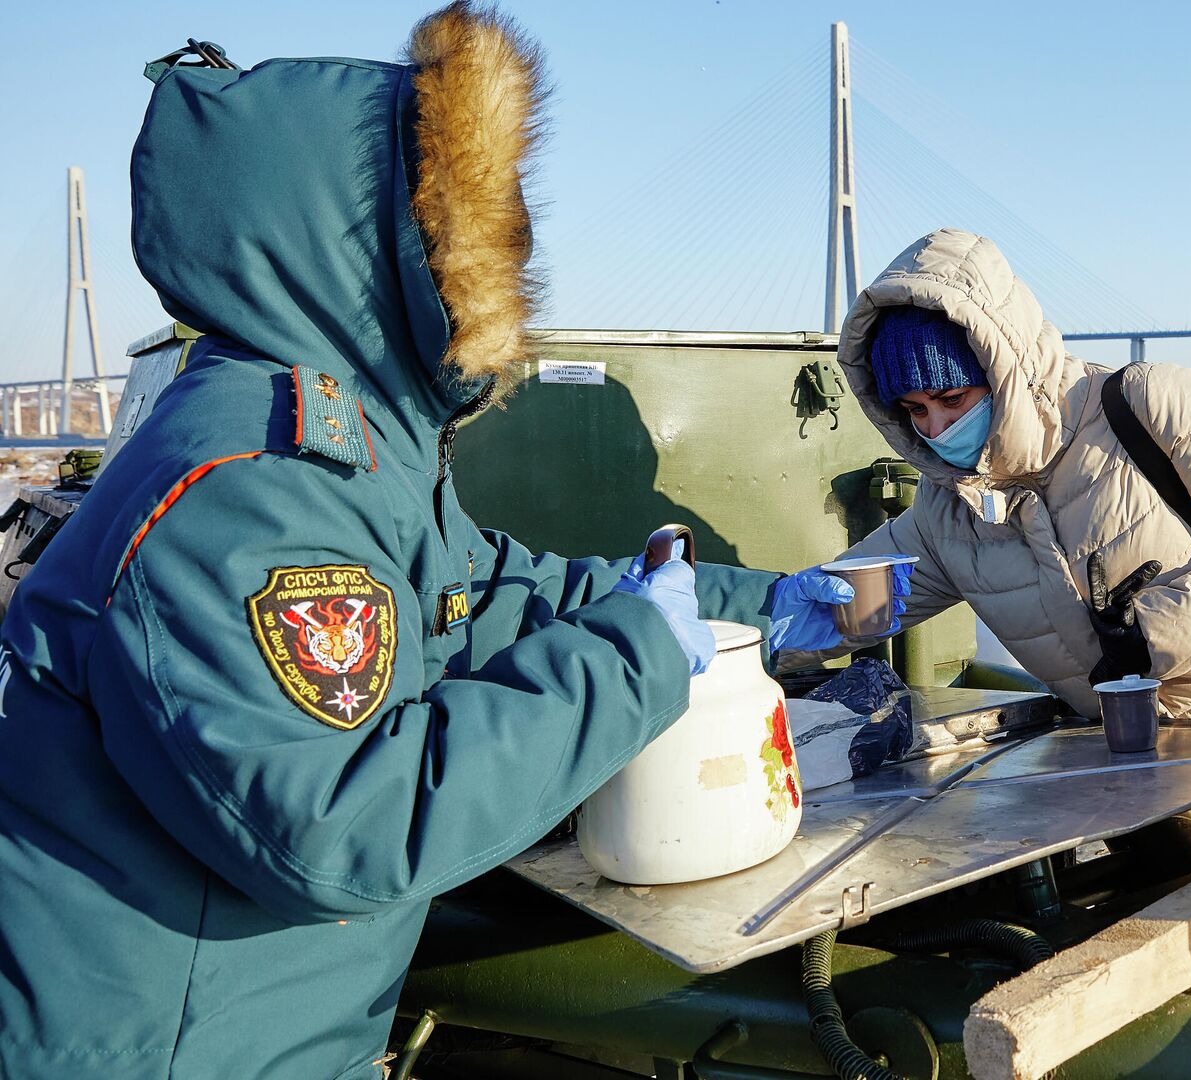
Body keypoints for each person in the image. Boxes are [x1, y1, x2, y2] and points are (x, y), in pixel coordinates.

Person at [0, 8, 882, 1077]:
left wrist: (761, 604)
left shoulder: (351, 450)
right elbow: (342, 828)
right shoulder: (249, 492)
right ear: (376, 246)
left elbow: (491, 592)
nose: (501, 258)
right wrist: (638, 654)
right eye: (469, 227)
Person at [806, 228, 1191, 964]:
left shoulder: (1144, 407)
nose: (937, 428)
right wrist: (700, 632)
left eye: (952, 397)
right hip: (1159, 786)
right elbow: (842, 601)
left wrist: (1164, 629)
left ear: (1004, 366)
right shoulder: (948, 513)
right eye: (913, 410)